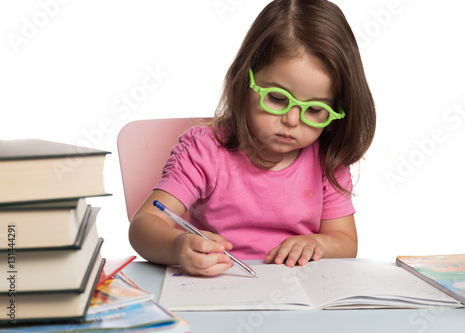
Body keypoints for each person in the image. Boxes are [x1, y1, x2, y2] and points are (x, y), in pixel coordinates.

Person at [129, 0, 376, 276]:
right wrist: (178, 244)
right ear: (244, 80)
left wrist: (318, 243)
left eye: (316, 110)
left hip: (298, 298)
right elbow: (144, 225)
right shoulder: (206, 151)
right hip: (221, 288)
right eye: (277, 98)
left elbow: (346, 243)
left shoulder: (327, 160)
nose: (292, 120)